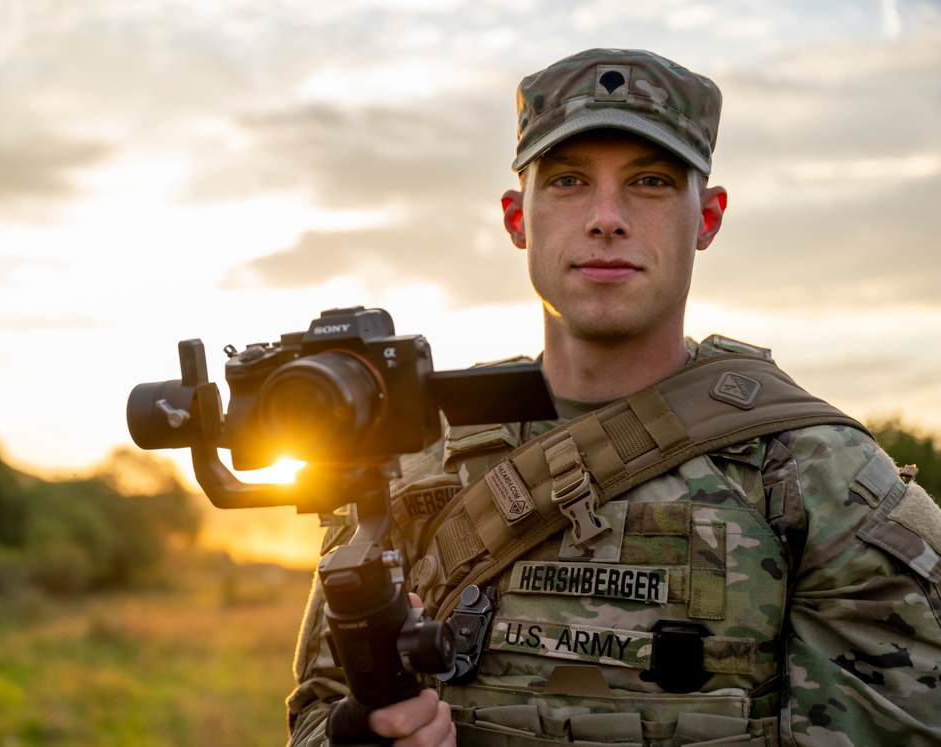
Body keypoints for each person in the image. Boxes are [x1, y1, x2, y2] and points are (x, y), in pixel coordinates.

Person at [287, 48, 941, 747]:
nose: (606, 217)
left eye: (650, 182)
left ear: (708, 218)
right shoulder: (416, 456)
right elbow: (316, 715)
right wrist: (362, 732)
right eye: (568, 181)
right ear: (517, 219)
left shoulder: (824, 483)